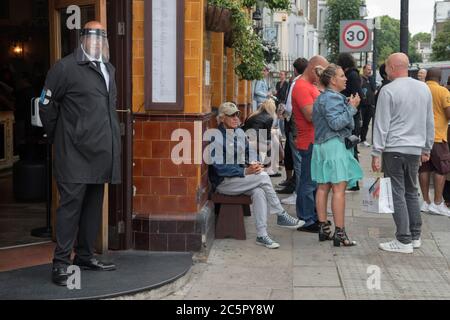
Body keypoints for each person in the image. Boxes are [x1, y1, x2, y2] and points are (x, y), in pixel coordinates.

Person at [39, 21, 121, 285]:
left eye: (101, 39)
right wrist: (58, 137)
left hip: (100, 154)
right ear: (83, 39)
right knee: (69, 209)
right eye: (92, 37)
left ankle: (84, 255)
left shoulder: (108, 69)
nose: (97, 43)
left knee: (92, 209)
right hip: (73, 154)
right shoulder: (65, 68)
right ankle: (61, 263)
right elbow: (46, 105)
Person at [209, 102, 304, 249]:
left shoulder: (239, 133)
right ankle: (280, 213)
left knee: (259, 191)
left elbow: (250, 152)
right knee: (264, 177)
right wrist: (245, 171)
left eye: (237, 115)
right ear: (222, 118)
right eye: (231, 115)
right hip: (224, 183)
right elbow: (220, 169)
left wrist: (255, 163)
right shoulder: (217, 137)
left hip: (239, 180)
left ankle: (262, 235)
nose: (235, 118)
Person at [372, 53, 434, 254]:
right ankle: (415, 236)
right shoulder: (423, 88)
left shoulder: (388, 90)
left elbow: (382, 124)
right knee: (411, 191)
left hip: (394, 148)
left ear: (391, 67)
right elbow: (428, 121)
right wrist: (427, 147)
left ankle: (403, 239)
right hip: (415, 149)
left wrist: (375, 152)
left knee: (396, 192)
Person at [311, 64, 363, 246]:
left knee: (322, 187)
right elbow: (336, 123)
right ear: (333, 80)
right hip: (334, 146)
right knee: (339, 190)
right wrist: (352, 108)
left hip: (321, 146)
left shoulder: (322, 98)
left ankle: (323, 228)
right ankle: (340, 233)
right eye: (342, 76)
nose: (345, 78)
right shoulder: (333, 98)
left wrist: (348, 106)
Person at [291, 55, 329, 232]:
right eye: (322, 72)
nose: (323, 77)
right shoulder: (301, 87)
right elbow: (310, 115)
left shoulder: (310, 86)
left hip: (316, 140)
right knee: (308, 182)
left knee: (314, 181)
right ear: (315, 69)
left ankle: (312, 215)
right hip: (309, 141)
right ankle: (306, 219)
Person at [276, 58, 309, 203]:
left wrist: (284, 114)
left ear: (295, 69)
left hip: (296, 128)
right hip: (305, 128)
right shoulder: (308, 82)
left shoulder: (296, 83)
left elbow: (290, 108)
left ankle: (298, 194)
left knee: (298, 162)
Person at [419, 68, 450, 216]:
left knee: (424, 169)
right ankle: (438, 203)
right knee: (441, 169)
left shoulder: (420, 89)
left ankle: (426, 202)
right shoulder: (443, 92)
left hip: (421, 137)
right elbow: (448, 114)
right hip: (438, 136)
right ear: (439, 77)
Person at [337, 53, 364, 192]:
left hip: (351, 116)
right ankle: (353, 181)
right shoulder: (354, 74)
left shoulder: (352, 75)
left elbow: (358, 95)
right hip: (351, 115)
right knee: (350, 148)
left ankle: (354, 182)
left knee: (350, 148)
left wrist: (348, 101)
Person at [243, 99, 281, 177]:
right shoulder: (269, 118)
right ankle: (269, 169)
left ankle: (271, 166)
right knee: (273, 143)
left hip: (245, 139)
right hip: (253, 142)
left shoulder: (253, 114)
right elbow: (267, 138)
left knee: (274, 136)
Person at [360, 64, 376, 147]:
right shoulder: (360, 79)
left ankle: (363, 139)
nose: (370, 71)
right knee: (360, 123)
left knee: (366, 123)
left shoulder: (371, 79)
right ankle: (357, 138)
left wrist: (371, 78)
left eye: (370, 69)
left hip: (370, 105)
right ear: (364, 69)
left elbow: (374, 89)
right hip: (362, 105)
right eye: (368, 69)